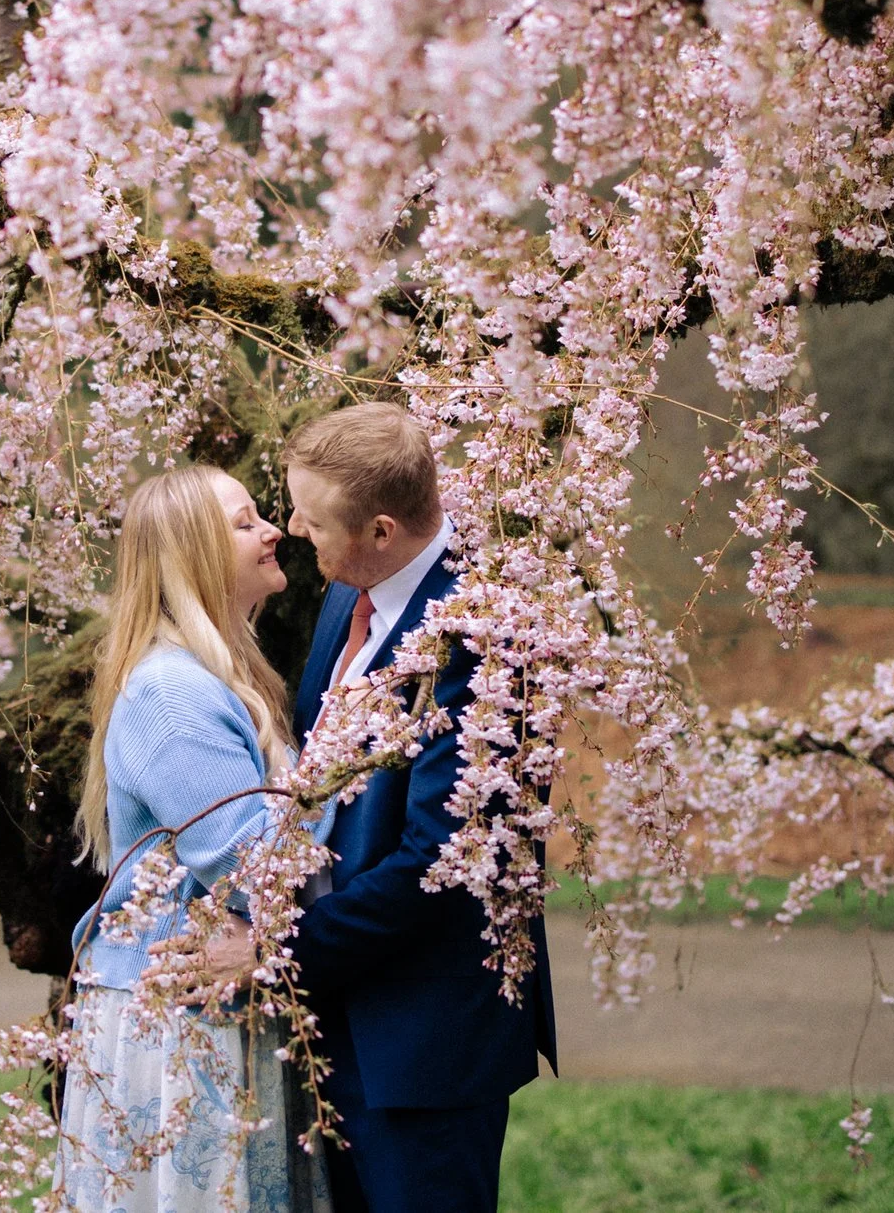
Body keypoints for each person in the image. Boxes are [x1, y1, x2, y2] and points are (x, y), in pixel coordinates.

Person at [281, 403, 557, 1213]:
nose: (295, 528)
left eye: (313, 516)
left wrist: (282, 947)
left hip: (423, 1045)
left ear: (381, 528)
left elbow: (441, 864)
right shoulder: (351, 588)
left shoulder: (487, 636)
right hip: (334, 1022)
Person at [60, 464, 332, 1213]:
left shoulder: (221, 674)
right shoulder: (173, 694)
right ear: (193, 553)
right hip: (182, 1030)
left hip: (212, 1012)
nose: (273, 529)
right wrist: (349, 766)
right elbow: (258, 868)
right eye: (245, 522)